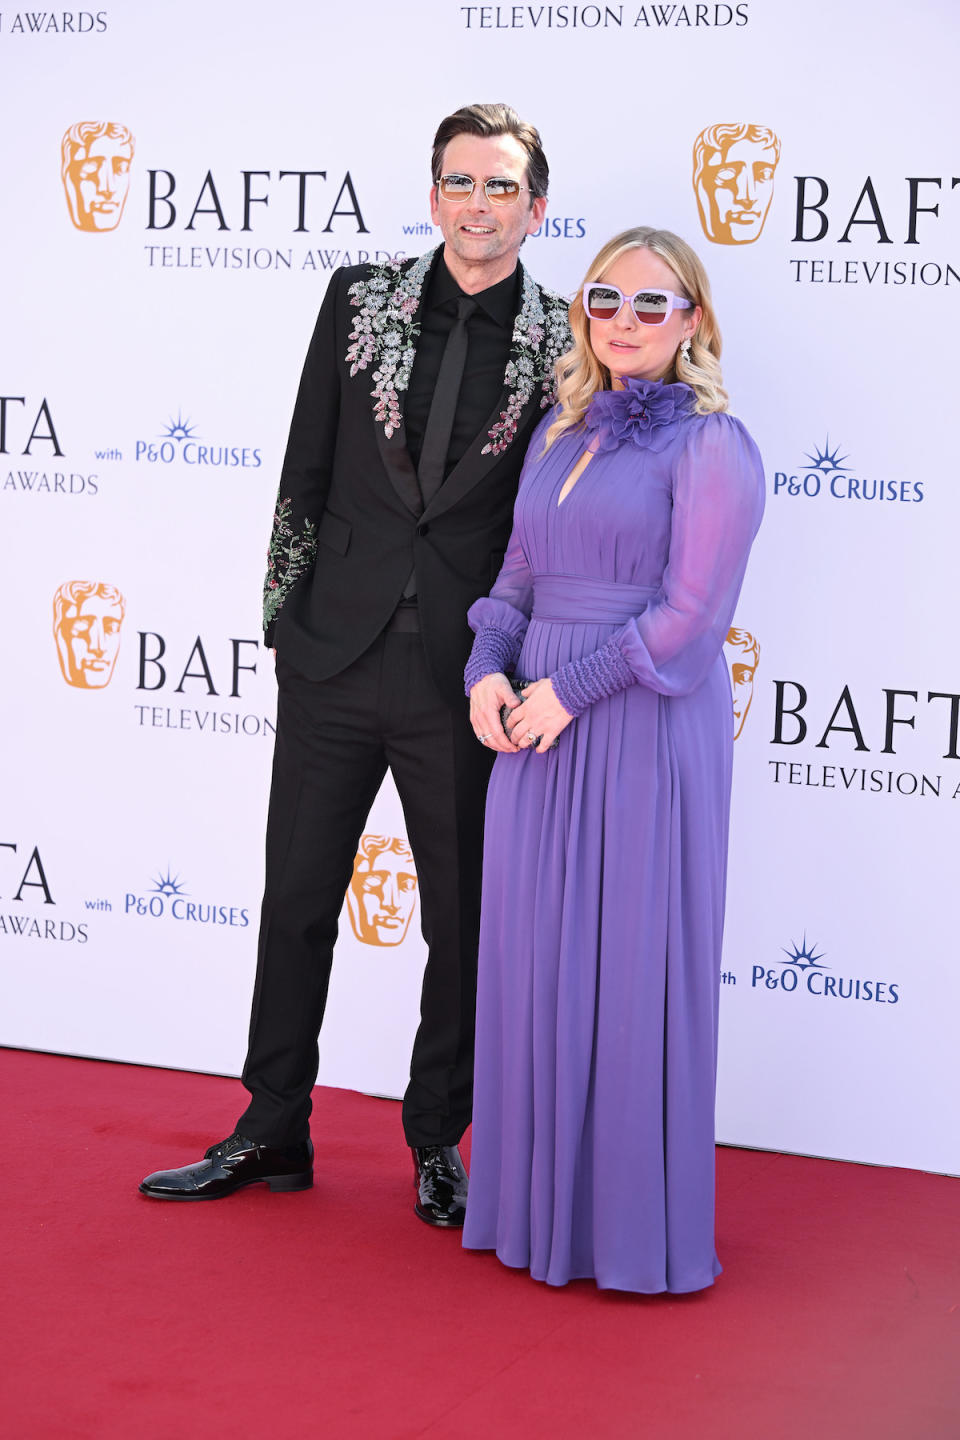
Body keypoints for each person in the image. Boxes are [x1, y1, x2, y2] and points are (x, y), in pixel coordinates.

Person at [138, 104, 571, 1226]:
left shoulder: (566, 336)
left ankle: (437, 1142)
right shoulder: (358, 298)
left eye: (502, 186)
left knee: (462, 923)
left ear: (535, 205)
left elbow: (550, 524)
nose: (480, 204)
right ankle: (271, 1125)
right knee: (295, 902)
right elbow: (305, 464)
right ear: (434, 196)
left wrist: (524, 665)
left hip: (468, 679)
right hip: (333, 658)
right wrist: (287, 624)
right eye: (461, 183)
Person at [462, 226, 764, 1291]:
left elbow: (693, 615)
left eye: (652, 303)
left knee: (631, 967)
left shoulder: (712, 445)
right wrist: (487, 669)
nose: (625, 321)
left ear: (693, 320)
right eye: (604, 299)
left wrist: (568, 692)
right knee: (535, 964)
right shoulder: (558, 426)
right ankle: (537, 1213)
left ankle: (629, 1231)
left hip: (638, 725)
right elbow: (515, 575)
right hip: (533, 729)